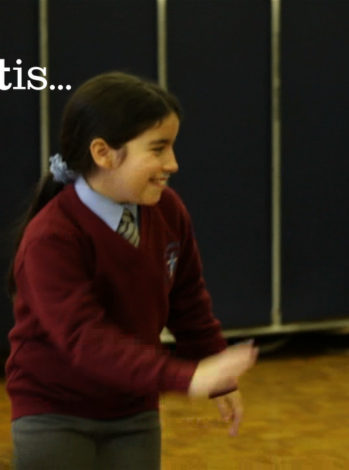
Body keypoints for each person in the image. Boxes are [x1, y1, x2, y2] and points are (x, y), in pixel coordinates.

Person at [5, 71, 258, 470]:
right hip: (54, 413)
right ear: (104, 153)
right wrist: (186, 378)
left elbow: (188, 301)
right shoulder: (53, 237)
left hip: (134, 409)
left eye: (172, 147)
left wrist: (214, 364)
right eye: (158, 149)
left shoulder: (169, 211)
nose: (172, 163)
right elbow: (85, 338)